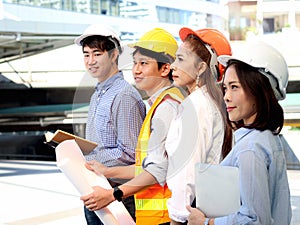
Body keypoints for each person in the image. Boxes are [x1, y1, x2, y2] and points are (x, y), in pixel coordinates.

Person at [80, 27, 186, 225]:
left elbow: (158, 170)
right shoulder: (158, 105)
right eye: (135, 63)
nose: (136, 70)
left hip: (161, 213)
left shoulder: (166, 108)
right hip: (150, 210)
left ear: (165, 68)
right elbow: (145, 165)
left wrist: (113, 190)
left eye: (144, 63)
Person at [186, 41, 292, 225]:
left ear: (258, 89)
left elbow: (254, 220)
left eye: (235, 87)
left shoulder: (250, 148)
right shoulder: (266, 138)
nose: (226, 96)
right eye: (226, 88)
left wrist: (205, 222)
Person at [74, 23, 146, 225]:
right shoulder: (98, 94)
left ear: (114, 55)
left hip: (118, 195)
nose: (90, 61)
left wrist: (93, 161)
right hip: (96, 190)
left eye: (97, 54)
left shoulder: (124, 95)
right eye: (86, 55)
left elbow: (132, 153)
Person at [163, 27, 233, 225]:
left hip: (192, 213)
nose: (173, 66)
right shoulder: (213, 103)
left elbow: (187, 171)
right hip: (211, 210)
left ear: (202, 68)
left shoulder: (195, 106)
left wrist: (177, 219)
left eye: (181, 59)